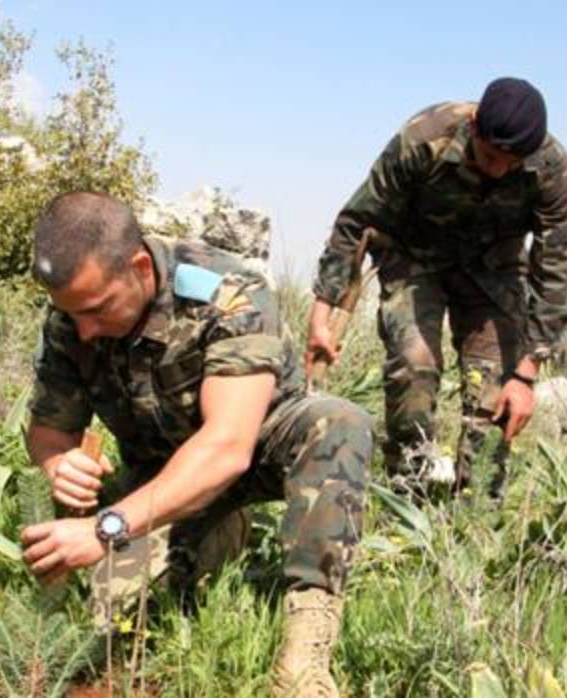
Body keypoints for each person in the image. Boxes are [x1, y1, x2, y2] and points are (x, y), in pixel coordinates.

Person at [20, 191, 374, 696]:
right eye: (72, 314)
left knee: (338, 423)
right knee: (114, 606)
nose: (85, 329)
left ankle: (303, 660)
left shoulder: (228, 293)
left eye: (96, 310)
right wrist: (58, 463)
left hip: (258, 449)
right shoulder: (72, 317)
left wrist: (105, 529)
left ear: (140, 267)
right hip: (165, 477)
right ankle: (219, 531)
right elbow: (49, 432)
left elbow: (229, 446)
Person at [306, 77, 567, 498]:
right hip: (415, 260)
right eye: (490, 156)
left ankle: (477, 512)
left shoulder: (551, 168)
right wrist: (321, 314)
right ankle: (407, 491)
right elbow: (356, 222)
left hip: (494, 272)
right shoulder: (425, 137)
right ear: (474, 125)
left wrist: (527, 375)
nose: (500, 169)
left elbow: (556, 267)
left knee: (494, 389)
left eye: (512, 162)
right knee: (415, 365)